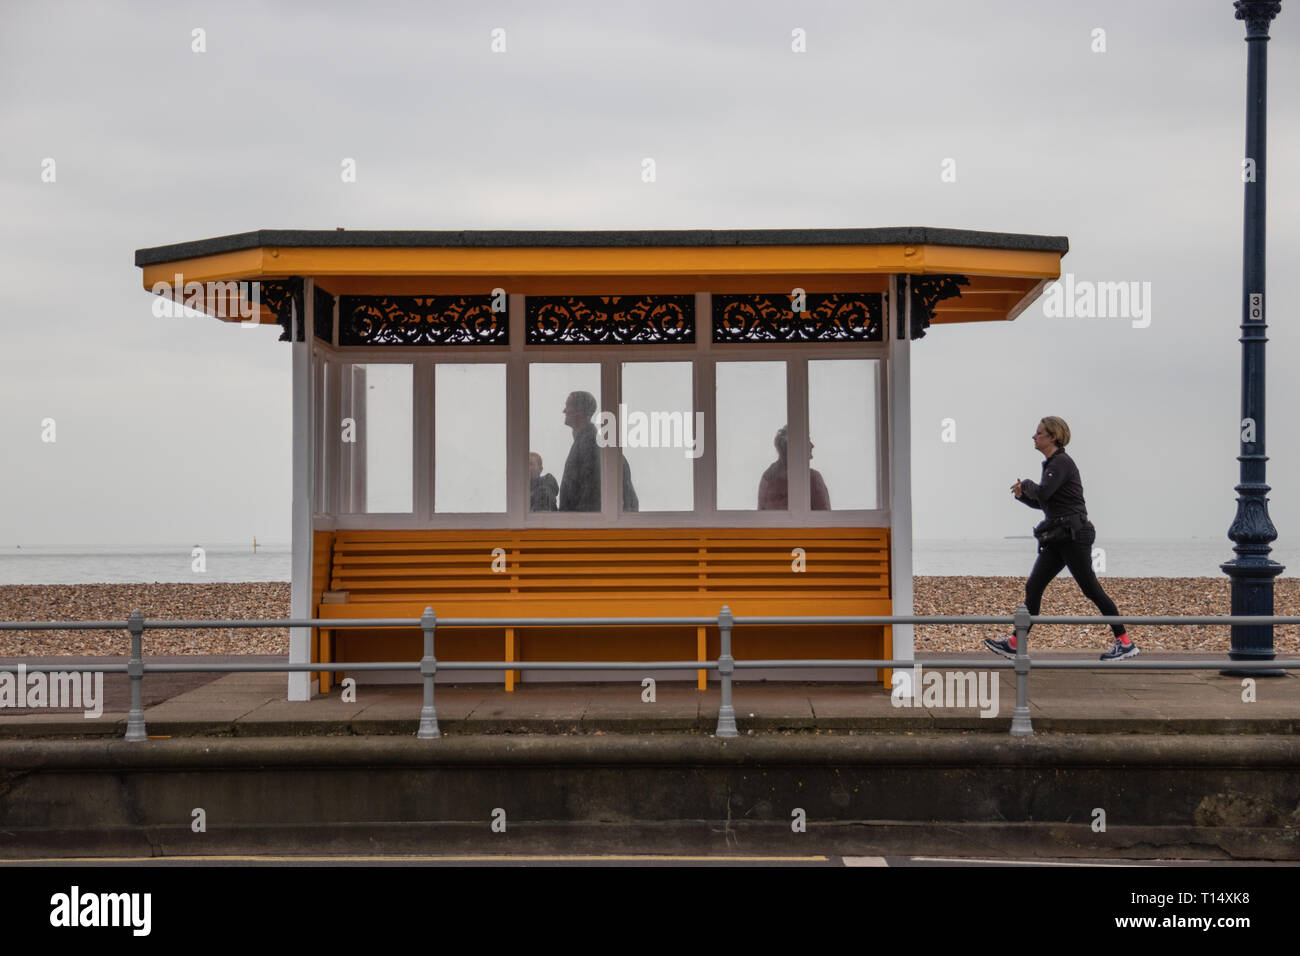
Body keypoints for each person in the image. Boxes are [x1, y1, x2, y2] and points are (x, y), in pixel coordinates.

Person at [985, 416, 1137, 662]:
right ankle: (1015, 643)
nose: (1034, 437)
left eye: (1039, 433)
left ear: (1053, 436)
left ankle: (1124, 642)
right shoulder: (1052, 464)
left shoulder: (1062, 462)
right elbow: (1046, 502)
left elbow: (1044, 492)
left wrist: (1028, 484)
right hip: (1058, 536)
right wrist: (1023, 495)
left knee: (1090, 588)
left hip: (1074, 536)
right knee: (1033, 586)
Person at [557, 390, 639, 512]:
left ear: (579, 410)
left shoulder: (591, 445)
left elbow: (591, 494)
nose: (564, 411)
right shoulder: (593, 443)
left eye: (568, 406)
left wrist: (576, 525)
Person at [758, 424, 831, 510]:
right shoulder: (811, 478)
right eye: (808, 440)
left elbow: (762, 514)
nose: (812, 445)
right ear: (798, 446)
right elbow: (824, 518)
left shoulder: (767, 477)